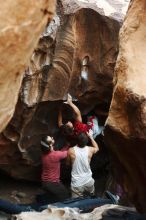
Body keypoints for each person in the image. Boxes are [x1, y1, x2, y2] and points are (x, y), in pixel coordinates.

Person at [67, 132, 99, 198]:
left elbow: (67, 164)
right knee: (92, 198)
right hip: (88, 180)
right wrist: (91, 137)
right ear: (87, 141)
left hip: (77, 183)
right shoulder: (90, 150)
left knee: (76, 204)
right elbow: (97, 148)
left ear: (76, 141)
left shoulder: (71, 151)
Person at [41, 136, 69, 202]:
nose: (52, 137)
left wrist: (67, 145)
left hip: (45, 182)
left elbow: (59, 153)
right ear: (50, 145)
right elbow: (67, 152)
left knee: (53, 196)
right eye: (51, 139)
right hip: (53, 183)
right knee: (66, 196)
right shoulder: (55, 155)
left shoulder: (43, 153)